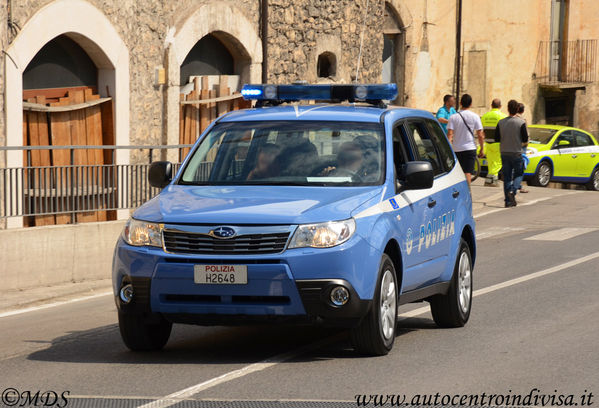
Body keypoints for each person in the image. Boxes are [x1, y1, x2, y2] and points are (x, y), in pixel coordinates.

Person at [496, 100, 529, 207]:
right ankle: (513, 191)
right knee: (519, 174)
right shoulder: (521, 123)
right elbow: (525, 138)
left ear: (508, 109)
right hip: (516, 152)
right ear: (517, 110)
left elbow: (496, 138)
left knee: (507, 177)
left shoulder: (501, 122)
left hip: (504, 152)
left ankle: (508, 201)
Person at [447, 94, 485, 187]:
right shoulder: (475, 116)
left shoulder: (453, 117)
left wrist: (448, 148)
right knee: (468, 172)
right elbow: (480, 134)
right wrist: (482, 148)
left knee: (457, 173)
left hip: (457, 148)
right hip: (470, 148)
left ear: (460, 103)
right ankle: (467, 192)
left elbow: (450, 134)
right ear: (471, 104)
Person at [481, 99, 507, 187]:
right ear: (500, 106)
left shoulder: (485, 116)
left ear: (491, 105)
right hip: (498, 143)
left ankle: (491, 180)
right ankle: (490, 179)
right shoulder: (503, 116)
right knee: (498, 162)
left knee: (491, 162)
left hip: (487, 142)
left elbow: (482, 130)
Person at [516, 103, 529, 193]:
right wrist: (526, 143)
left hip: (511, 146)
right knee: (520, 167)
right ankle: (518, 185)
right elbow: (526, 135)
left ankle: (514, 184)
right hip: (521, 147)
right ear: (523, 110)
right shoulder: (522, 120)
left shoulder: (509, 119)